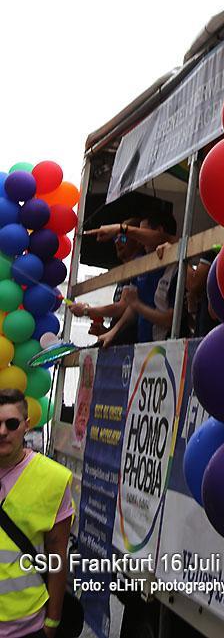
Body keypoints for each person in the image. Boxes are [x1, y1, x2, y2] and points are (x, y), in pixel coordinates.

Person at [0, 389, 74, 638]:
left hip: (27, 628)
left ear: (27, 425)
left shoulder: (53, 479)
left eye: (11, 423)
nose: (2, 432)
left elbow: (57, 557)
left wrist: (52, 622)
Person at [91, 214, 178, 347]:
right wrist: (111, 332)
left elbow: (167, 319)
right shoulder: (144, 266)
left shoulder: (173, 264)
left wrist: (87, 310)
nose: (118, 242)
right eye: (116, 238)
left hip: (164, 347)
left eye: (124, 238)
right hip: (143, 346)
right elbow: (132, 306)